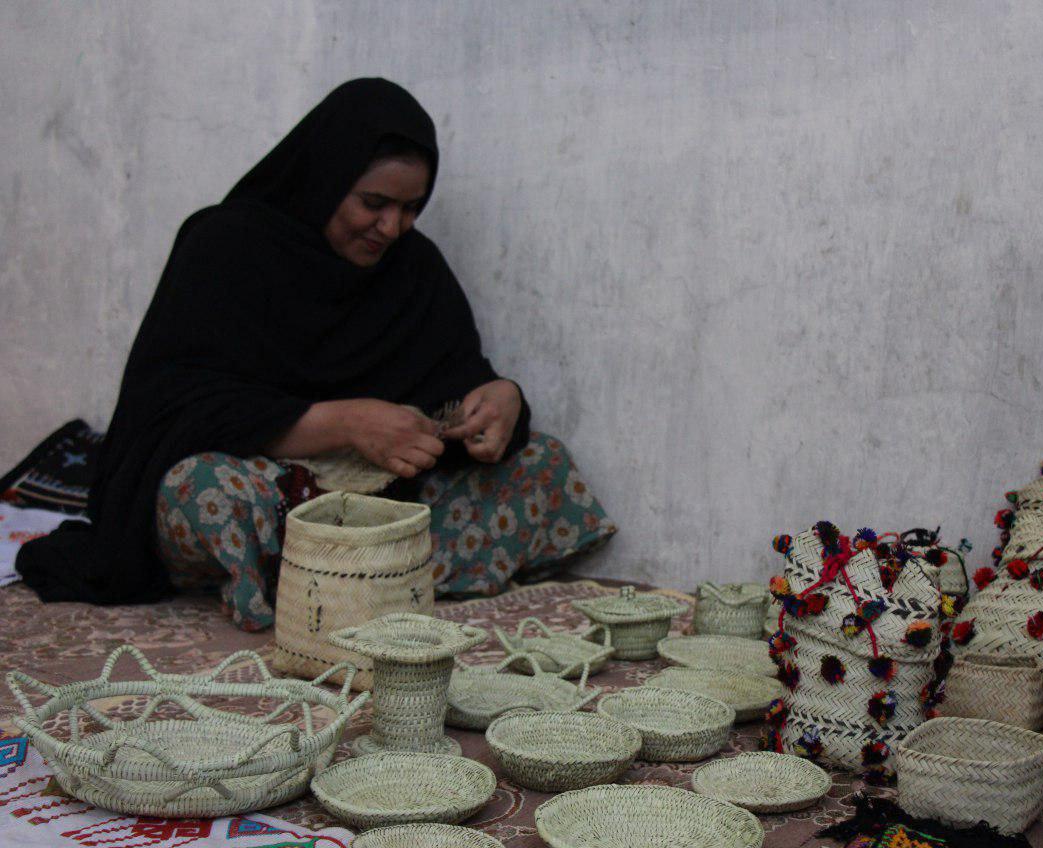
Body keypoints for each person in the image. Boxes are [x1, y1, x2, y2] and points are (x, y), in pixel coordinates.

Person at [18, 78, 616, 630]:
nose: (391, 227)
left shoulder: (414, 269)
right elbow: (172, 408)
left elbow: (456, 389)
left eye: (411, 208)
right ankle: (362, 582)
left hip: (382, 505)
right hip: (269, 489)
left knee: (542, 464)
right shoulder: (225, 247)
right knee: (198, 491)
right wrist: (344, 423)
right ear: (326, 177)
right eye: (373, 203)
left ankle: (350, 585)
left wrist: (501, 402)